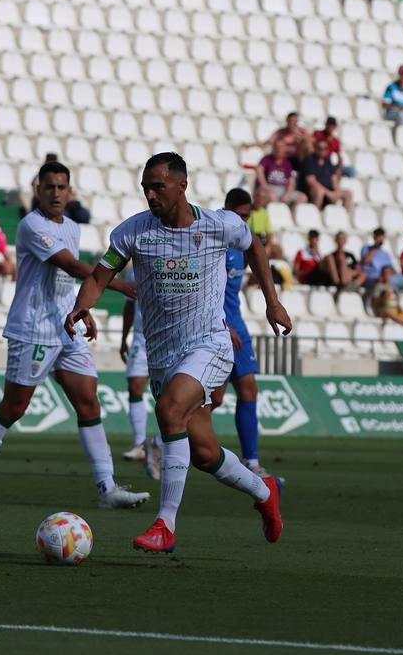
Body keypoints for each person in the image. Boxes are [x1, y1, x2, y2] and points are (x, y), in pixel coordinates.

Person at [64, 152, 289, 555]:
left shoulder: (220, 224)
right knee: (204, 453)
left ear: (182, 186)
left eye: (158, 187)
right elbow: (100, 275)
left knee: (169, 411)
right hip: (163, 356)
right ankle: (264, 491)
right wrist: (83, 305)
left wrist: (272, 302)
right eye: (146, 188)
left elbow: (254, 246)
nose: (151, 195)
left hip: (210, 344)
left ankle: (165, 524)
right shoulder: (133, 232)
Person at [0, 162, 147, 510]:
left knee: (89, 403)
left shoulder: (71, 227)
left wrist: (82, 308)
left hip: (66, 326)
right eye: (49, 187)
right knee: (14, 407)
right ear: (38, 190)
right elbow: (70, 265)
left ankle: (107, 488)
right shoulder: (32, 225)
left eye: (61, 187)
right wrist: (120, 285)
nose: (56, 193)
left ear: (70, 191)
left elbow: (66, 280)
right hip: (33, 329)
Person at [223, 188, 268, 477]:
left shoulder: (241, 247)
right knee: (213, 399)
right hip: (218, 327)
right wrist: (222, 325)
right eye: (238, 216)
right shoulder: (215, 245)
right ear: (226, 210)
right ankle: (160, 444)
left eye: (246, 218)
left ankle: (251, 461)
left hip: (237, 323)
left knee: (249, 388)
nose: (242, 223)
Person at [119, 291, 159, 478]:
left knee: (169, 393)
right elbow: (129, 306)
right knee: (134, 386)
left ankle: (161, 444)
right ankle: (139, 444)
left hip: (166, 336)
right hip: (140, 339)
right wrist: (123, 338)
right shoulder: (131, 274)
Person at [297, 137, 353, 210]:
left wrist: (337, 191)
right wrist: (328, 193)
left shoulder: (327, 161)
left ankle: (346, 215)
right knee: (319, 192)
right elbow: (311, 181)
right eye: (320, 148)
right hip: (313, 191)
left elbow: (333, 178)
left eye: (325, 148)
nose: (322, 150)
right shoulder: (309, 161)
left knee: (348, 193)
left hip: (329, 190)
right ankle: (315, 213)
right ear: (315, 148)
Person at [255, 138, 304, 206]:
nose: (279, 149)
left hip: (283, 189)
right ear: (274, 148)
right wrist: (265, 186)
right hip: (269, 187)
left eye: (281, 147)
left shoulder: (287, 163)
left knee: (302, 197)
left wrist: (287, 194)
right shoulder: (266, 159)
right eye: (277, 147)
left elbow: (291, 182)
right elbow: (259, 171)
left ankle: (292, 212)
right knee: (272, 195)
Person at [359, 227, 396, 294]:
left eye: (381, 236)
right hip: (370, 278)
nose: (380, 238)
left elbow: (391, 269)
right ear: (374, 237)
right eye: (378, 236)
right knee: (380, 285)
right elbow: (365, 262)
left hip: (384, 279)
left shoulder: (386, 254)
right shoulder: (366, 248)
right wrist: (375, 247)